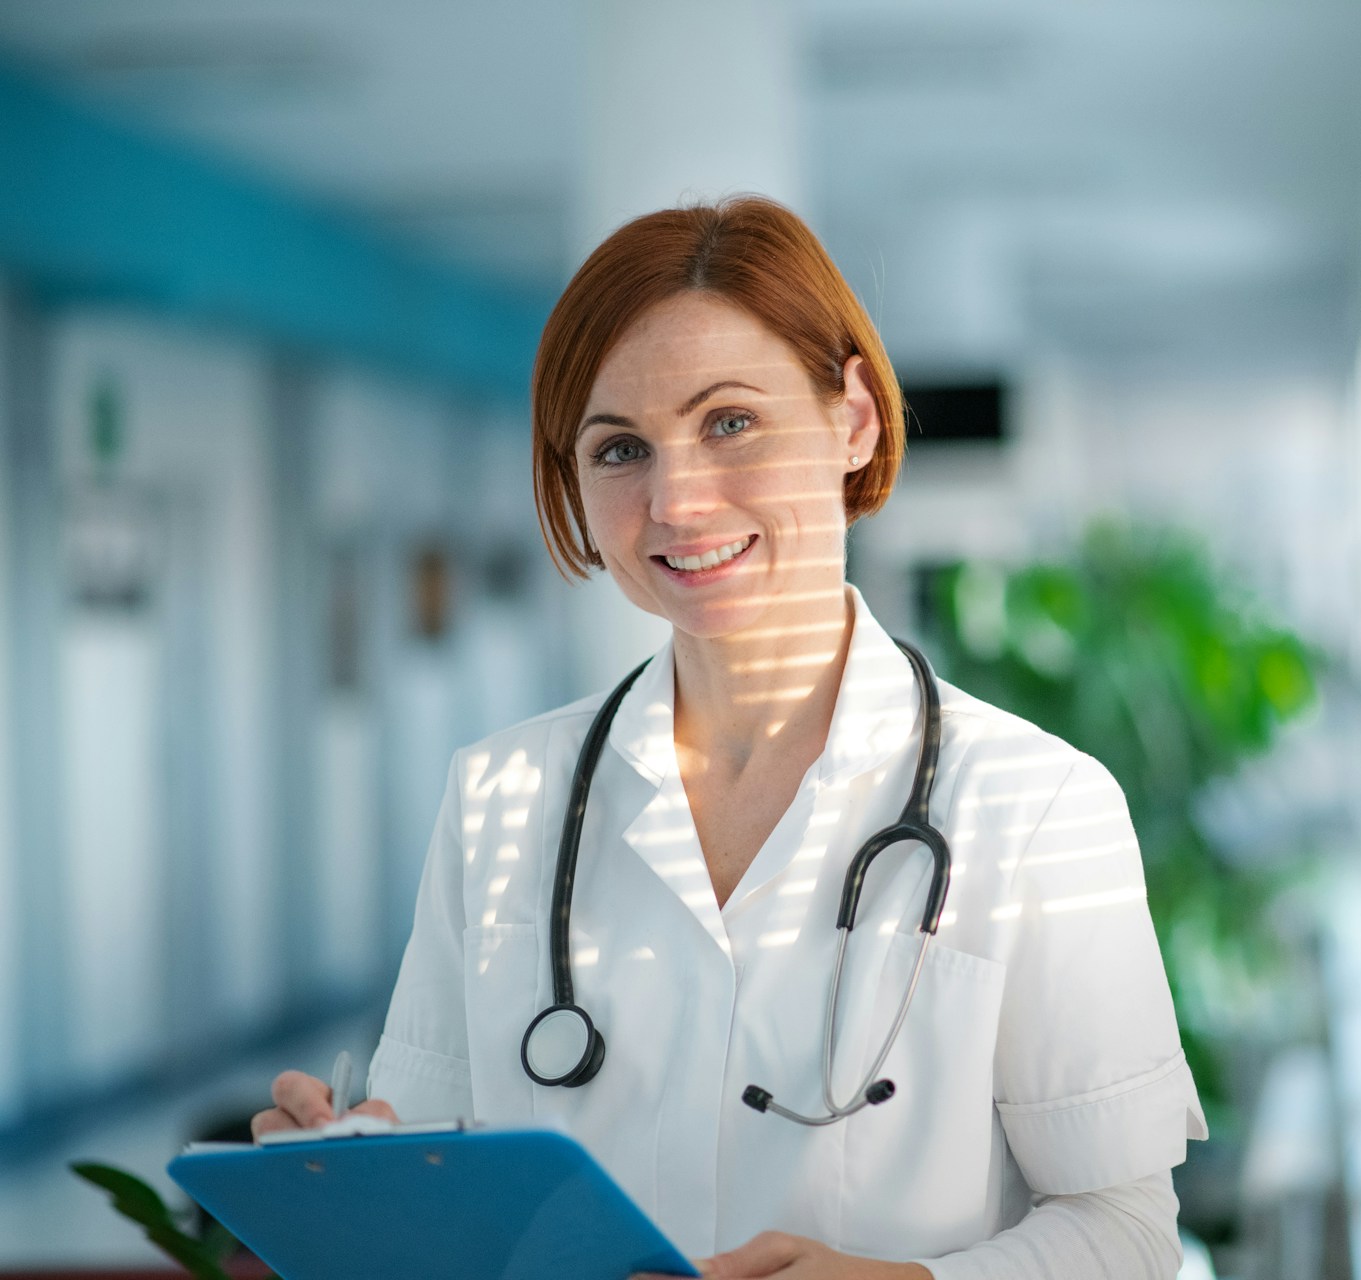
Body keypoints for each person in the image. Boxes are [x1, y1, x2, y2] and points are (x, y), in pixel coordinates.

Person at [252, 196, 1205, 1279]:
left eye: (729, 422)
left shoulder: (1034, 806)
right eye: (619, 449)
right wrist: (347, 1185)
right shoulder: (502, 799)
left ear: (851, 417)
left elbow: (1127, 1232)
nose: (675, 500)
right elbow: (428, 1182)